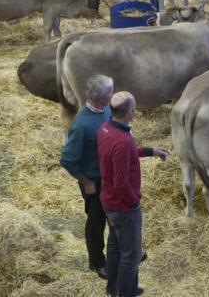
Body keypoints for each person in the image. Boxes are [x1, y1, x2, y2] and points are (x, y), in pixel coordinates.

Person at [97, 92, 169, 297]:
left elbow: (122, 155)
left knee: (114, 245)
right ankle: (126, 292)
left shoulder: (105, 128)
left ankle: (113, 288)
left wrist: (150, 151)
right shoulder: (122, 141)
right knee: (131, 255)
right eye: (135, 108)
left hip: (108, 201)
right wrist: (133, 201)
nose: (135, 111)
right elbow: (121, 183)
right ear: (130, 112)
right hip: (123, 206)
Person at [60, 75, 114, 280]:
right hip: (95, 182)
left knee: (114, 216)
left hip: (109, 177)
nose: (113, 93)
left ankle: (122, 253)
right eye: (111, 90)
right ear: (101, 96)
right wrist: (86, 182)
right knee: (96, 222)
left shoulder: (106, 109)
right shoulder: (81, 125)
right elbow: (67, 160)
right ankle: (97, 261)